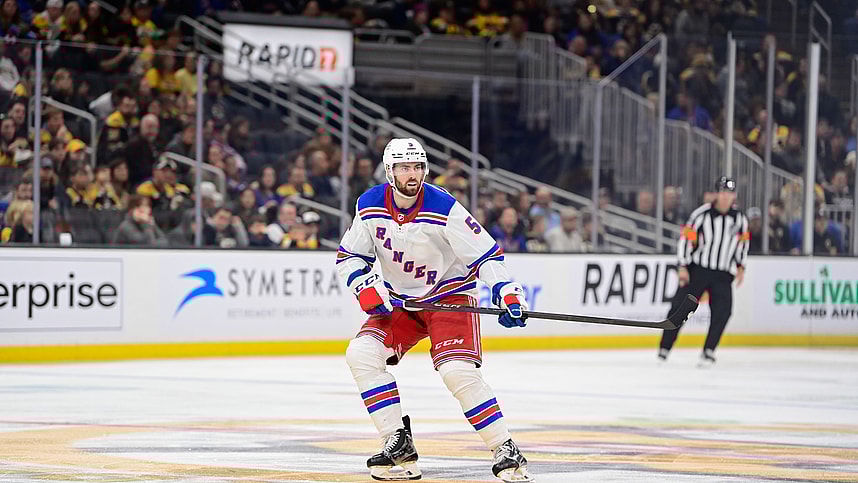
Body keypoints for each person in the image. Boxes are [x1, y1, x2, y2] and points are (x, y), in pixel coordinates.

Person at [337, 138, 532, 482]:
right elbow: (350, 256)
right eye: (404, 168)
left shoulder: (444, 206)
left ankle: (505, 448)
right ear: (389, 171)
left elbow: (485, 254)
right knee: (362, 354)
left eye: (418, 167)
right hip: (403, 302)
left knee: (457, 371)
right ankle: (396, 444)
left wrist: (505, 291)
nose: (413, 175)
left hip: (450, 297)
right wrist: (363, 286)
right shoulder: (369, 205)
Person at [658, 176, 750, 368]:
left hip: (723, 272)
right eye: (723, 192)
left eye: (730, 193)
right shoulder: (701, 215)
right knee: (680, 308)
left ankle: (709, 350)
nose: (726, 197)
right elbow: (685, 239)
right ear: (716, 194)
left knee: (723, 311)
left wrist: (741, 265)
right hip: (698, 269)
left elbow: (743, 242)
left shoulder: (740, 219)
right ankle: (665, 348)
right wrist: (682, 266)